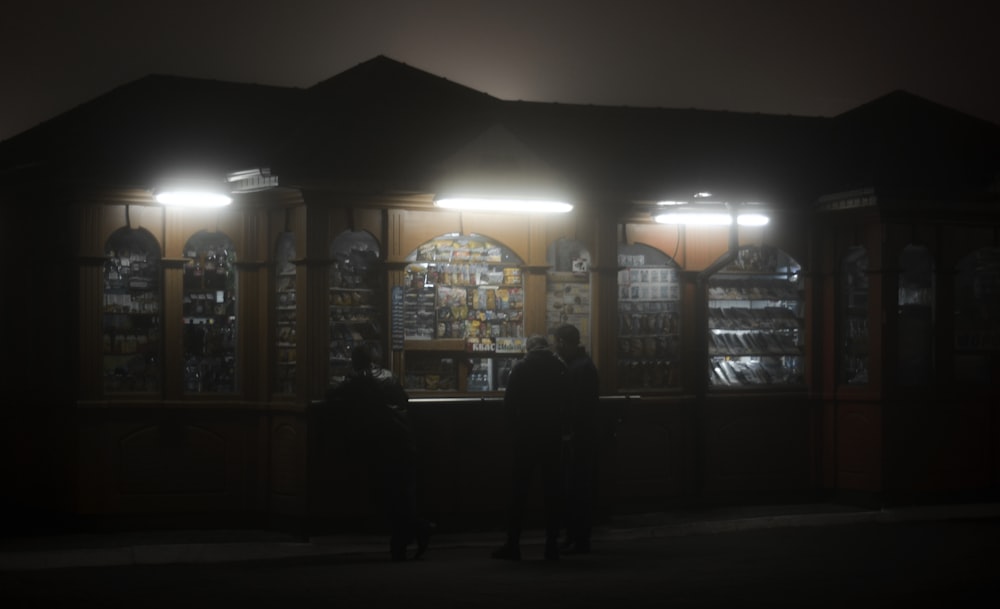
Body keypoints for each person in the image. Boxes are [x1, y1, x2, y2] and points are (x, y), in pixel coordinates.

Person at [325, 344, 433, 561]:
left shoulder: (358, 378)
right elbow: (404, 399)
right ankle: (408, 537)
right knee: (402, 494)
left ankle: (411, 535)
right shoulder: (389, 376)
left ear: (355, 361)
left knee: (390, 496)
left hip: (384, 444)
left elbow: (331, 394)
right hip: (404, 440)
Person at [492, 335, 569, 561]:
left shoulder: (521, 368)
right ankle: (551, 544)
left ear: (529, 348)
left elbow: (509, 403)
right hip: (552, 435)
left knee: (519, 492)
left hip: (526, 436)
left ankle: (513, 543)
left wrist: (514, 430)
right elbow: (568, 401)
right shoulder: (560, 367)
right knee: (552, 492)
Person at [553, 323, 600, 555]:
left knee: (577, 488)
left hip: (578, 437)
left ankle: (579, 538)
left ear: (562, 342)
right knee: (575, 488)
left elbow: (578, 406)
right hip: (581, 435)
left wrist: (570, 432)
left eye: (557, 343)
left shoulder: (579, 368)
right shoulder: (582, 365)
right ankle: (576, 536)